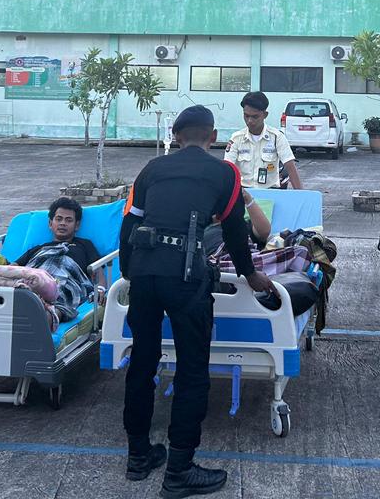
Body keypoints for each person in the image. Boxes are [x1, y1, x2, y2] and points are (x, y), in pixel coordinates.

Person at [120, 104, 273, 497]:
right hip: (186, 278)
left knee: (142, 363)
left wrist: (129, 273)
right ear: (213, 136)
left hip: (144, 273)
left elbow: (130, 223)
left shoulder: (151, 169)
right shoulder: (226, 173)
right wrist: (249, 274)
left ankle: (138, 456)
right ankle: (179, 471)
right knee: (191, 371)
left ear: (175, 136)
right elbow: (235, 231)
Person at [224, 91, 302, 189]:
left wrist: (302, 196)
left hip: (270, 192)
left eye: (255, 116)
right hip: (244, 192)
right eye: (246, 116)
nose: (250, 121)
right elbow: (227, 170)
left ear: (265, 115)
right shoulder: (236, 139)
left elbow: (291, 168)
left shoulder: (277, 137)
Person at [16, 196, 103, 279]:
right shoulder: (38, 249)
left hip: (69, 284)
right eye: (59, 219)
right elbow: (13, 268)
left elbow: (97, 270)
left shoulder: (85, 245)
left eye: (68, 220)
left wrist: (100, 288)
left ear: (77, 225)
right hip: (32, 283)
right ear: (50, 224)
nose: (63, 223)